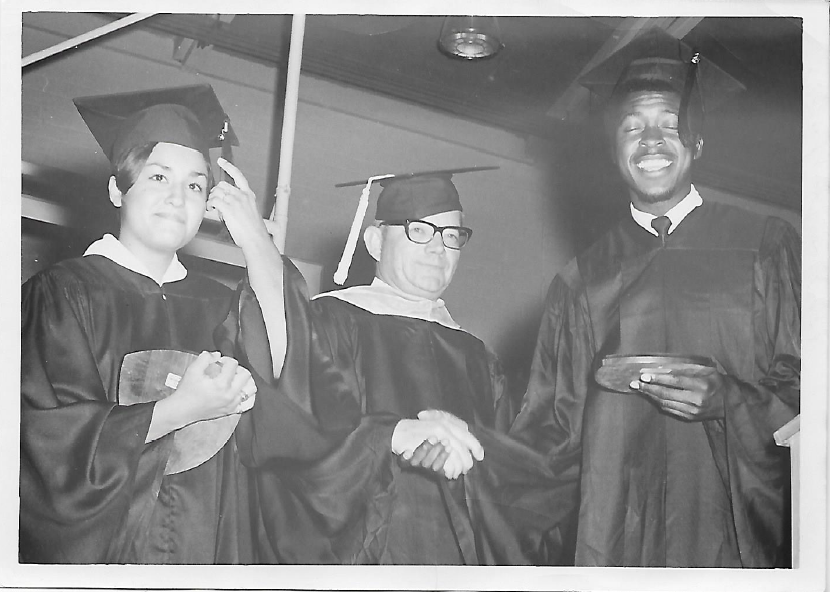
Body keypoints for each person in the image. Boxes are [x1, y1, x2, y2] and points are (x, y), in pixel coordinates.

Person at [510, 27, 801, 568]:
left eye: (670, 125)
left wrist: (731, 401)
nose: (650, 141)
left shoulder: (766, 245)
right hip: (618, 542)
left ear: (697, 143)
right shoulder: (581, 281)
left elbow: (807, 386)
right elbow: (549, 435)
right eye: (632, 127)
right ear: (613, 148)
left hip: (737, 540)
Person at [235, 169, 573, 565]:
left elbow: (516, 488)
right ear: (375, 242)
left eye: (451, 236)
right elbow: (301, 429)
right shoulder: (329, 322)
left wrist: (472, 455)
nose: (438, 248)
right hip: (366, 562)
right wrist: (390, 438)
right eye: (419, 230)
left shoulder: (480, 359)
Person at [20, 84, 286, 563]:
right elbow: (42, 447)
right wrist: (178, 410)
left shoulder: (221, 305)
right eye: (158, 177)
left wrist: (255, 241)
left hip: (207, 549)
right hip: (110, 553)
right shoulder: (62, 293)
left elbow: (288, 403)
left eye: (195, 185)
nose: (177, 198)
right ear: (117, 189)